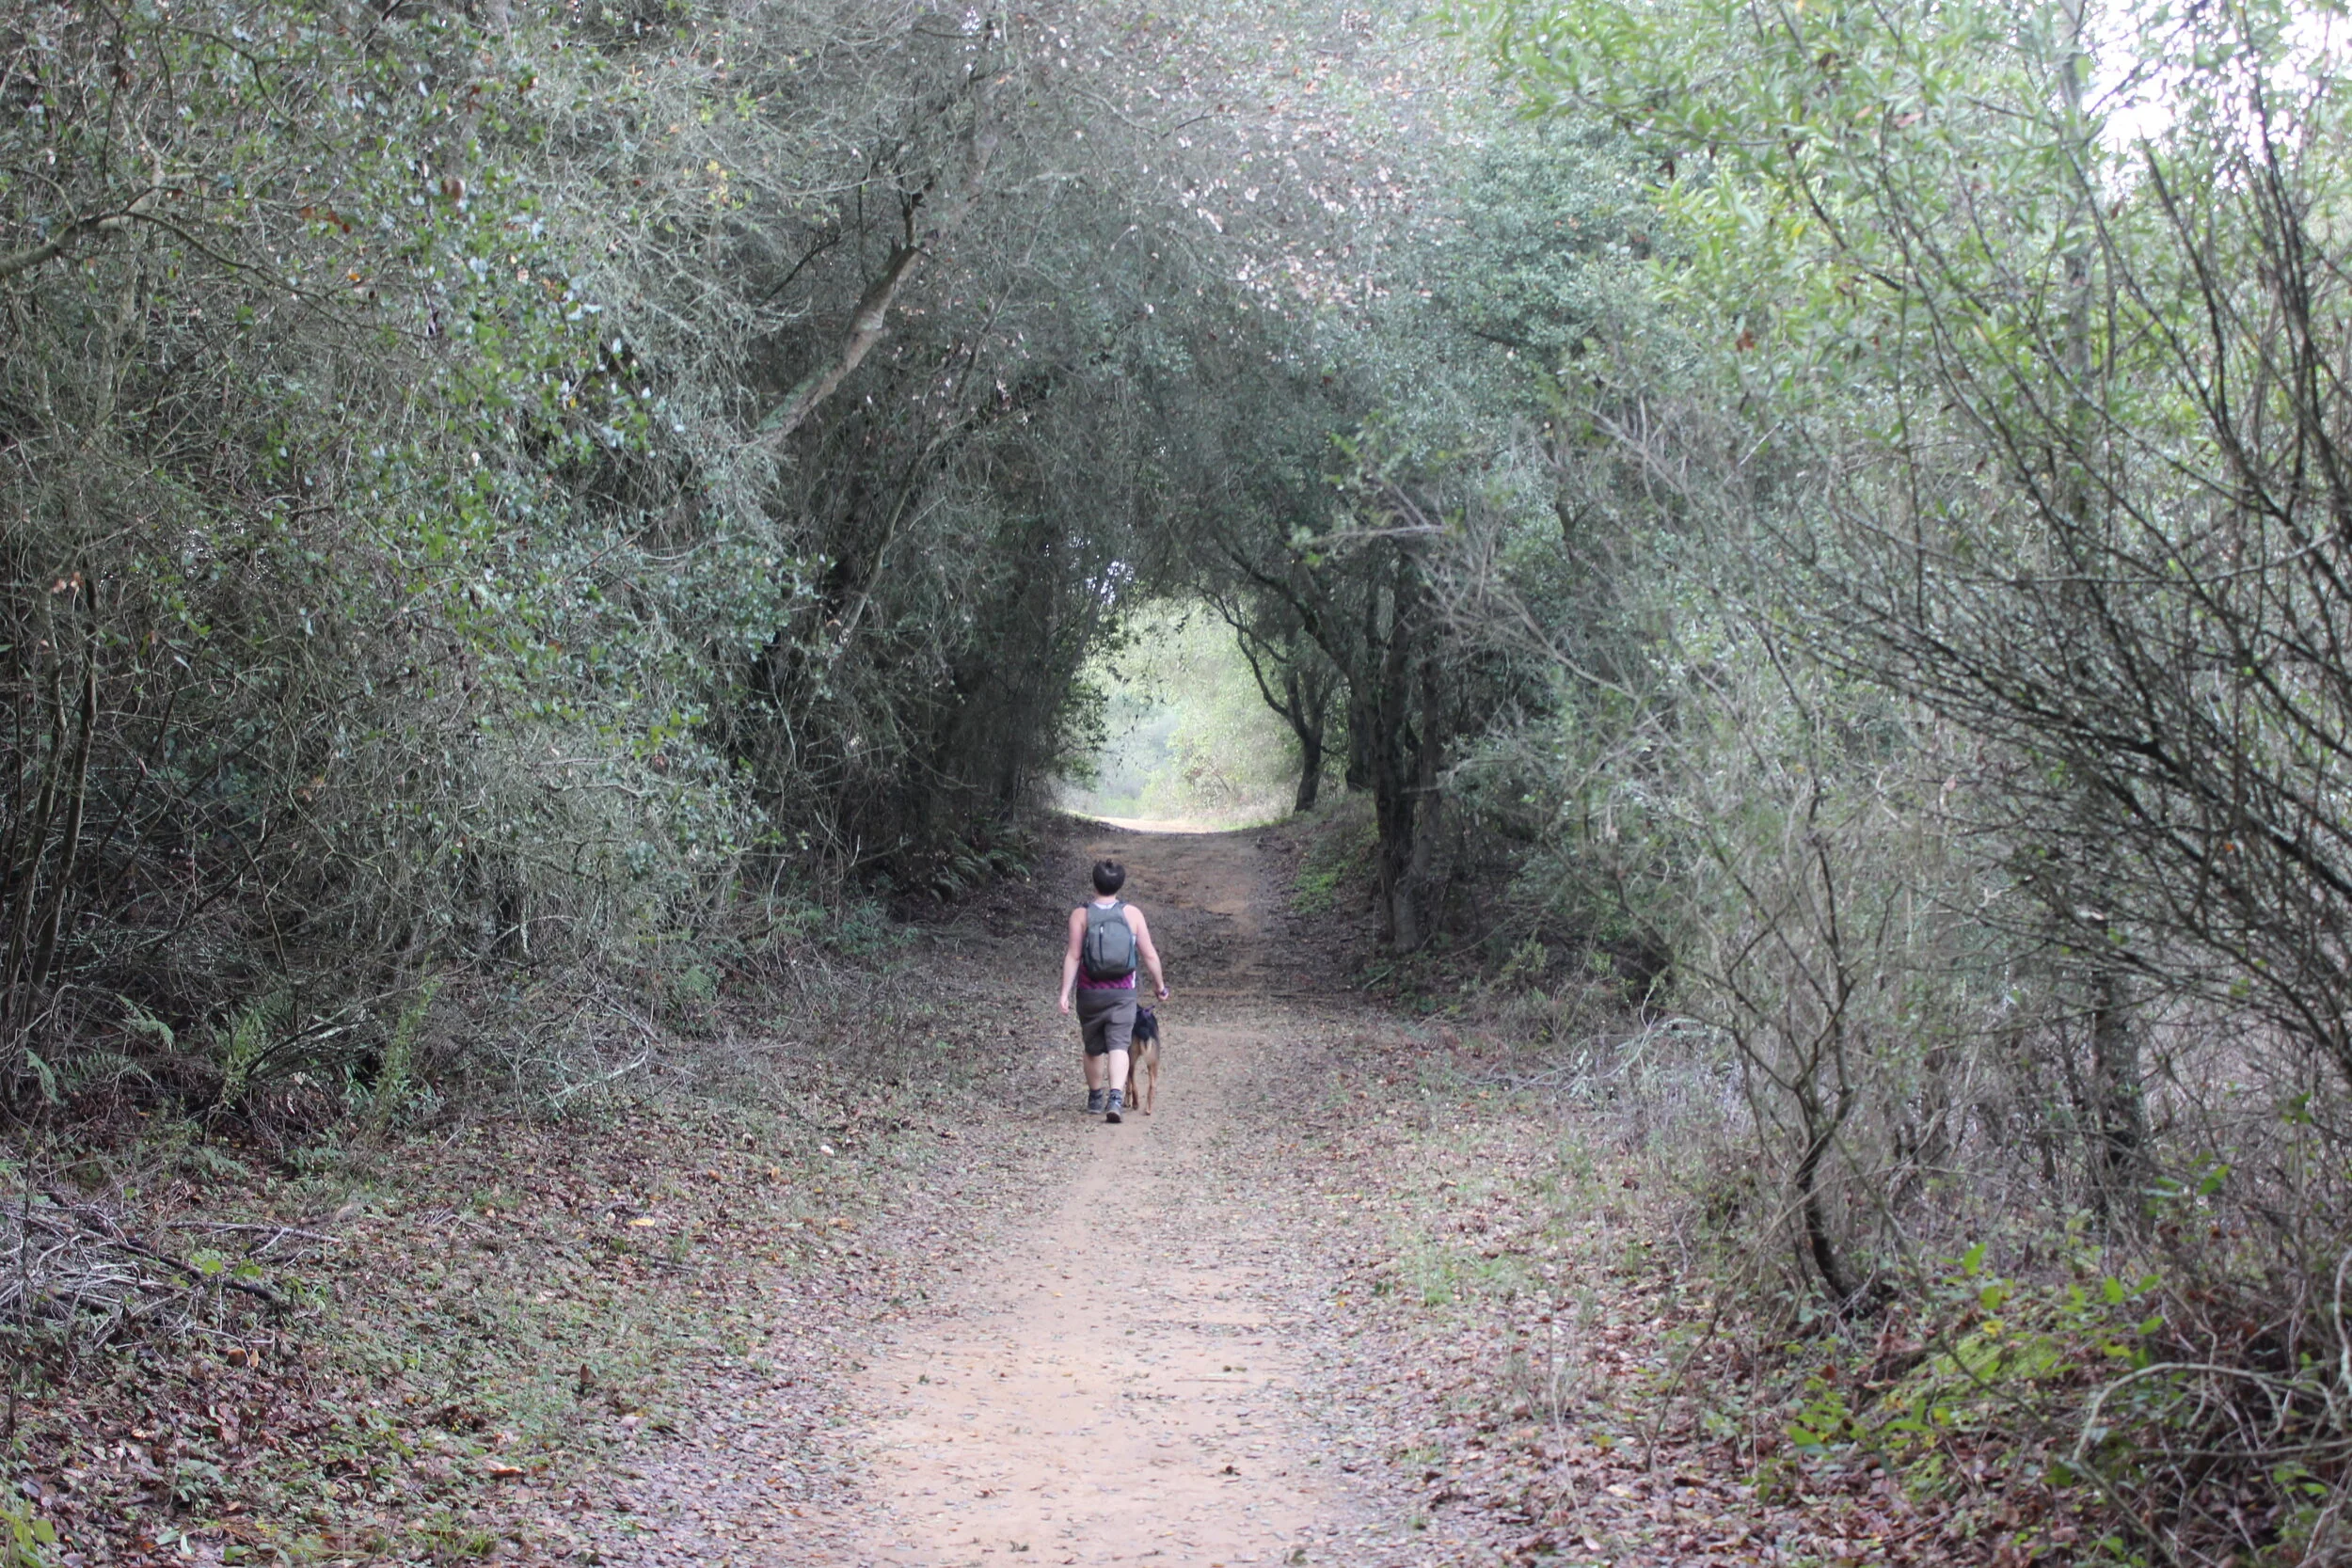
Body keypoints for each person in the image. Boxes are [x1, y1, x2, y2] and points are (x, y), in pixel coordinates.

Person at [1057, 859, 1168, 1124]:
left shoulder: (1080, 915)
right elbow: (1149, 955)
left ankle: (1096, 1097)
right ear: (1120, 883)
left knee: (1093, 1047)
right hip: (1123, 993)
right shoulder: (1132, 914)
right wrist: (1160, 986)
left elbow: (1073, 956)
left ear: (1094, 882)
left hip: (1089, 993)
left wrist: (1064, 993)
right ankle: (1115, 1098)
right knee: (1119, 1044)